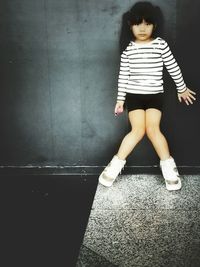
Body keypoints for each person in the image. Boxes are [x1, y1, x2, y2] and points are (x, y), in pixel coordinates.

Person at [98, 1, 196, 191]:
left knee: (152, 129)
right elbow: (123, 76)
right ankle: (115, 165)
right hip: (134, 97)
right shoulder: (128, 49)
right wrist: (120, 100)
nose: (142, 28)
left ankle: (169, 167)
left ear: (155, 25)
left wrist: (181, 88)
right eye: (137, 23)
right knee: (137, 131)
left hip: (154, 97)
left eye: (147, 23)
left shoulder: (160, 45)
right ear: (130, 25)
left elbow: (173, 67)